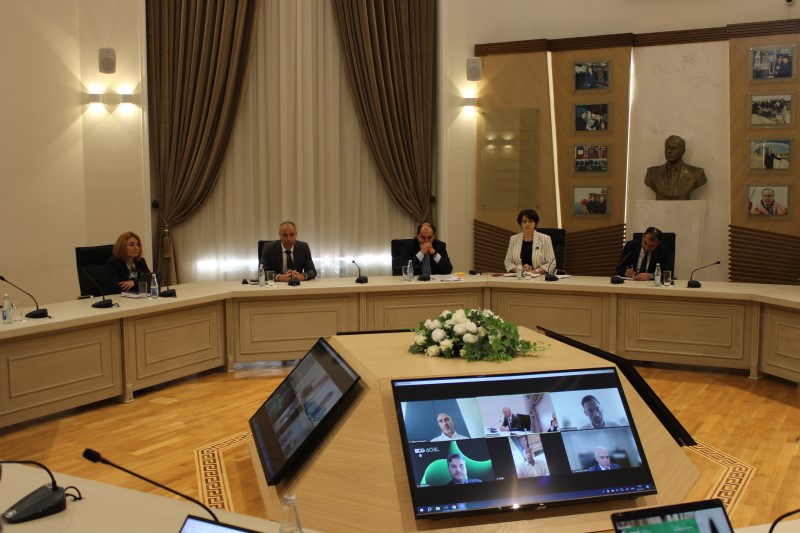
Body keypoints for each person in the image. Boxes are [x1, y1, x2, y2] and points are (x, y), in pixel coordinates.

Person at [644, 135, 708, 200]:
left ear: (683, 151)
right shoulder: (652, 173)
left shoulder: (697, 173)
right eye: (667, 148)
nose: (669, 151)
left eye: (673, 148)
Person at [504, 208, 556, 275]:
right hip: (519, 276)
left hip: (539, 277)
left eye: (530, 221)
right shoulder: (514, 239)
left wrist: (535, 271)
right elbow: (508, 262)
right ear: (520, 224)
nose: (527, 224)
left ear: (535, 223)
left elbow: (551, 262)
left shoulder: (545, 239)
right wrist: (521, 270)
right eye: (524, 221)